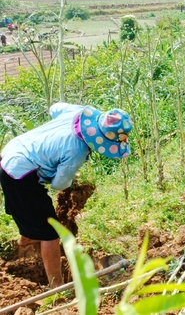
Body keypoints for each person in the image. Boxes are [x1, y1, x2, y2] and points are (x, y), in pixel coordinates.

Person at [0, 103, 133, 287]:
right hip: (21, 173)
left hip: (13, 151)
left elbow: (54, 107)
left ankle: (28, 237)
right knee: (51, 234)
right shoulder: (77, 151)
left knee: (33, 215)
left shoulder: (77, 113)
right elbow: (59, 184)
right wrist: (72, 180)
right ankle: (57, 288)